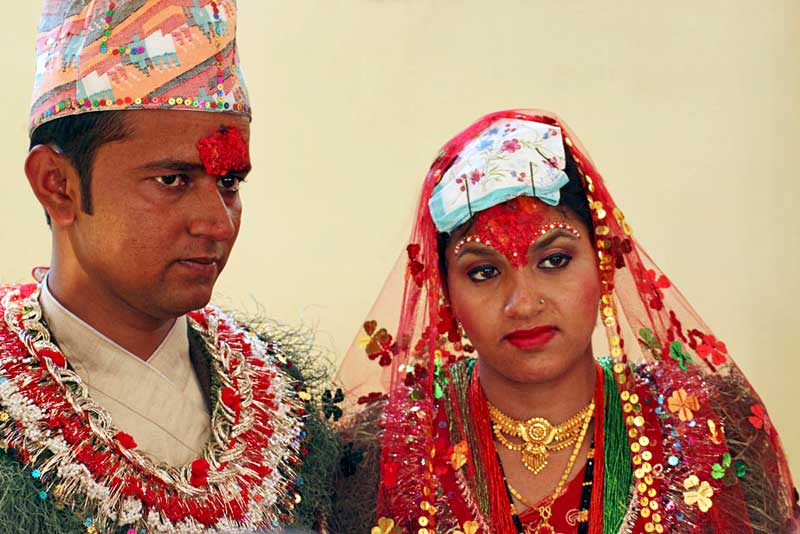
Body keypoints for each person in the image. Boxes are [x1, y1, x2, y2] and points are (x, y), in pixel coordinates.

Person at [337, 109, 800, 533]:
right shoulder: (388, 453)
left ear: (602, 263)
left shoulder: (701, 428)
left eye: (554, 261)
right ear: (445, 294)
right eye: (484, 272)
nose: (523, 303)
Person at [0, 1, 338, 532]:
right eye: (172, 180)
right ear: (57, 185)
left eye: (230, 183)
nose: (218, 224)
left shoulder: (285, 405)